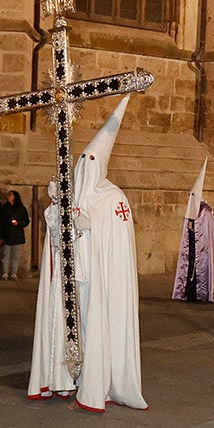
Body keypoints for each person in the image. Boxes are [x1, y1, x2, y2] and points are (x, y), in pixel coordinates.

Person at [29, 96, 146, 411]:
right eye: (84, 160)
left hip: (97, 278)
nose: (86, 167)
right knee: (71, 328)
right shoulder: (73, 193)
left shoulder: (112, 197)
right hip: (70, 279)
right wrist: (55, 208)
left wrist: (88, 229)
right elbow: (55, 236)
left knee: (93, 329)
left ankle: (93, 387)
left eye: (93, 161)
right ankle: (66, 379)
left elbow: (115, 242)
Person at [172, 158, 214, 300]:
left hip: (203, 248)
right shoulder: (193, 207)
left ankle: (204, 292)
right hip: (192, 246)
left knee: (201, 268)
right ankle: (189, 292)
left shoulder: (206, 211)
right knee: (190, 268)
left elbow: (208, 231)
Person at [0, 189, 30, 280]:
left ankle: (14, 273)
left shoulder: (21, 208)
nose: (9, 197)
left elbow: (26, 221)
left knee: (16, 255)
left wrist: (18, 223)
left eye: (10, 195)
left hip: (17, 235)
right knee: (6, 254)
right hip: (7, 234)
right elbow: (0, 223)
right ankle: (5, 273)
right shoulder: (4, 208)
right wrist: (0, 236)